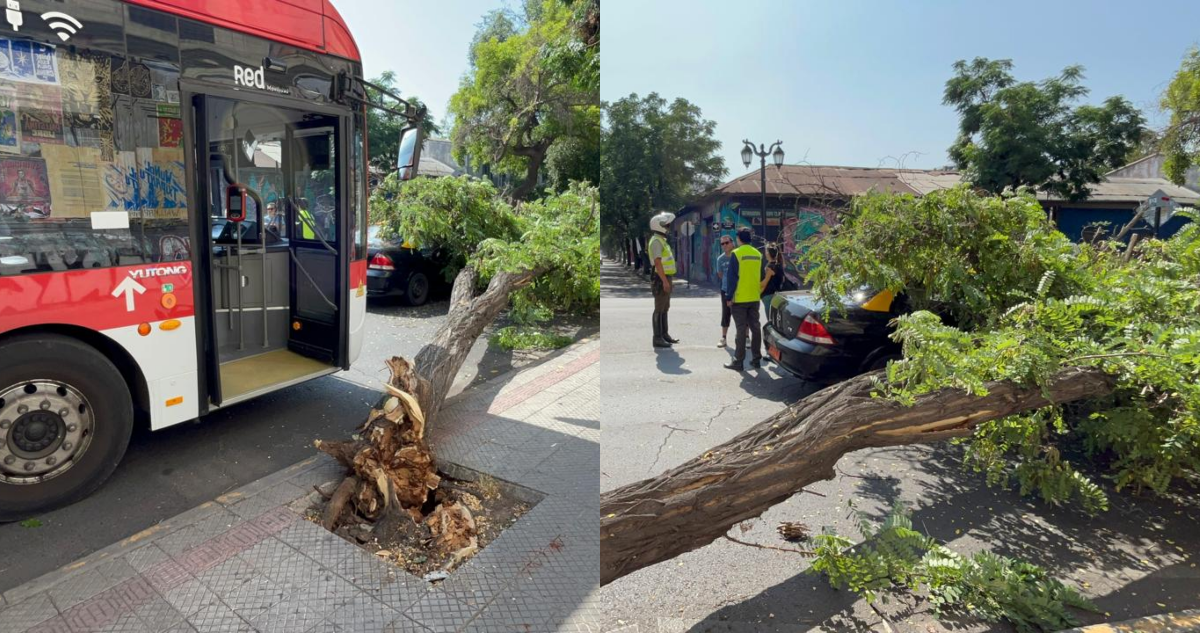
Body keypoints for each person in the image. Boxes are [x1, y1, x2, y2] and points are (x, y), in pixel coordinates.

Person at [722, 228, 764, 371]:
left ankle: (738, 361)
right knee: (755, 328)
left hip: (739, 298)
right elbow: (761, 275)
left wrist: (729, 296)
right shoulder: (758, 254)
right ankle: (757, 359)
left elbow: (732, 278)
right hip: (754, 297)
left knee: (741, 330)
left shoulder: (737, 253)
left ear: (739, 239)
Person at [648, 211, 679, 348]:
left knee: (665, 308)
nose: (668, 227)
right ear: (658, 225)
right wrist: (665, 281)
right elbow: (658, 263)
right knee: (659, 308)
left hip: (666, 277)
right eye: (666, 225)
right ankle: (657, 338)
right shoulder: (656, 241)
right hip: (661, 278)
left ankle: (665, 334)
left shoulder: (661, 240)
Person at [715, 234, 734, 347]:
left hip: (738, 289)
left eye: (727, 242)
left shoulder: (737, 256)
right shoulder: (720, 259)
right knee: (726, 313)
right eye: (722, 244)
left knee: (741, 314)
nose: (725, 245)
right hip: (726, 289)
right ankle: (724, 338)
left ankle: (746, 338)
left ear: (732, 243)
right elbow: (720, 275)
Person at [760, 244, 785, 316]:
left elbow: (764, 283)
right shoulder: (779, 265)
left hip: (768, 295)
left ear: (768, 253)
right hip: (777, 294)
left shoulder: (770, 267)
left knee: (770, 320)